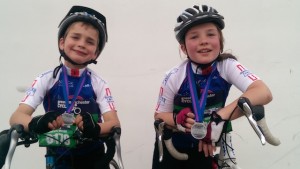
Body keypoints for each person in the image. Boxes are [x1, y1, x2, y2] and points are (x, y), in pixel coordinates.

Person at [152, 4, 272, 169]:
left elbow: (263, 92)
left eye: (210, 34)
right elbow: (159, 115)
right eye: (194, 37)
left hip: (207, 146)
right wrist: (178, 120)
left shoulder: (227, 66)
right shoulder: (173, 76)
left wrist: (219, 118)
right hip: (173, 147)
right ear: (183, 47)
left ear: (220, 41)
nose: (203, 41)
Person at [8, 5, 120, 169]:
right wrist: (35, 123)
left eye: (90, 41)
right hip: (57, 158)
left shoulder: (99, 83)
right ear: (62, 42)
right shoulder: (46, 79)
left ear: (95, 53)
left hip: (95, 158)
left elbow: (114, 123)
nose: (81, 44)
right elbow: (16, 117)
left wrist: (95, 129)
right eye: (75, 37)